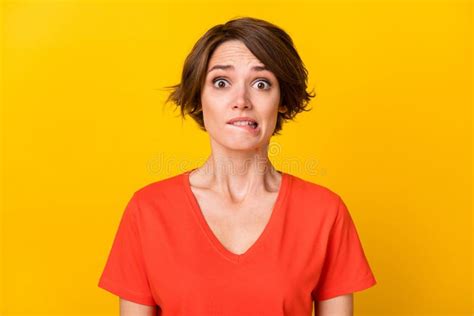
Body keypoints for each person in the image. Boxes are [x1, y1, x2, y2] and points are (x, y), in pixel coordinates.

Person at [98, 16, 377, 316]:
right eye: (221, 82)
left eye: (261, 83)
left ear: (281, 100)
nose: (241, 100)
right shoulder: (147, 211)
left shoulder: (325, 212)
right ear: (199, 98)